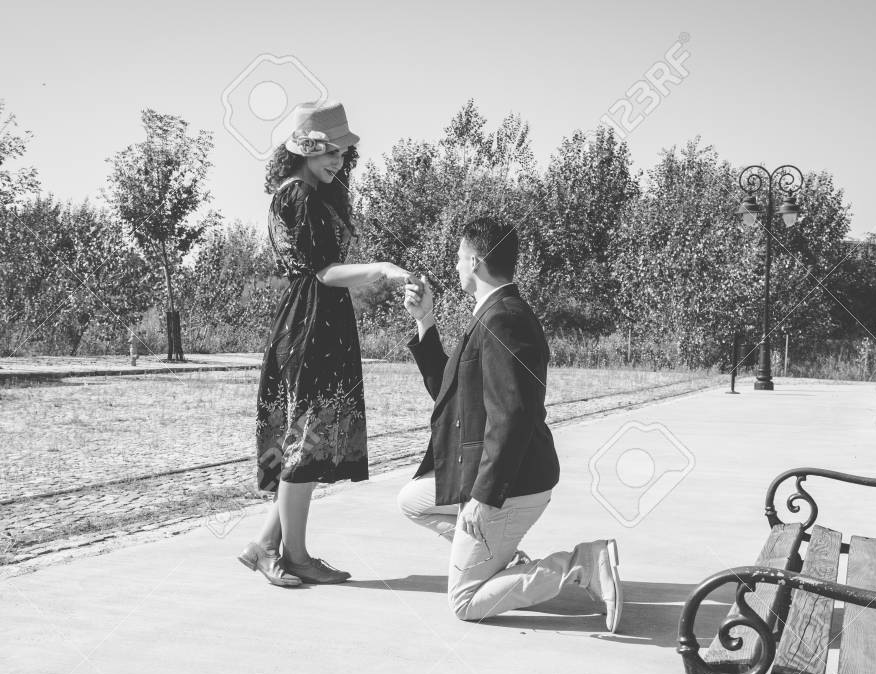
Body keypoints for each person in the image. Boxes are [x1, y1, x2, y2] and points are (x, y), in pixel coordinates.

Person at [396, 216, 624, 631]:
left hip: (514, 483)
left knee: (465, 602)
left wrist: (484, 496)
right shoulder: (494, 312)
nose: (456, 265)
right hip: (496, 471)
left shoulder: (504, 318)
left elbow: (512, 415)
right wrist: (425, 320)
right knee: (413, 499)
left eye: (460, 257)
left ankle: (582, 564)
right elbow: (452, 394)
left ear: (476, 262)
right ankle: (503, 561)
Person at [239, 101, 410, 587]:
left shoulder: (305, 193)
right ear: (304, 151)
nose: (338, 159)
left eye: (342, 152)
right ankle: (295, 556)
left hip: (316, 320)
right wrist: (382, 270)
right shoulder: (299, 196)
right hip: (311, 322)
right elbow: (322, 272)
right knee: (306, 440)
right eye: (329, 151)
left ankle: (263, 546)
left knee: (307, 438)